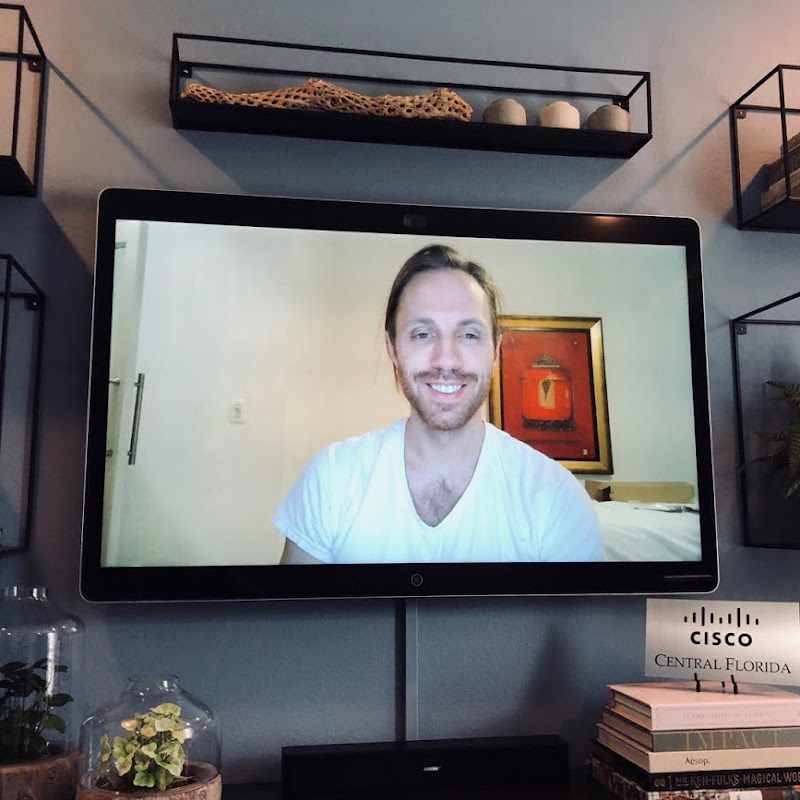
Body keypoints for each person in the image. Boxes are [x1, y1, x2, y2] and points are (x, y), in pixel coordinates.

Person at [275, 244, 604, 564]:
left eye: (469, 335)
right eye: (423, 334)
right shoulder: (332, 479)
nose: (447, 359)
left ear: (495, 351)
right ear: (393, 348)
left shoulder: (557, 498)